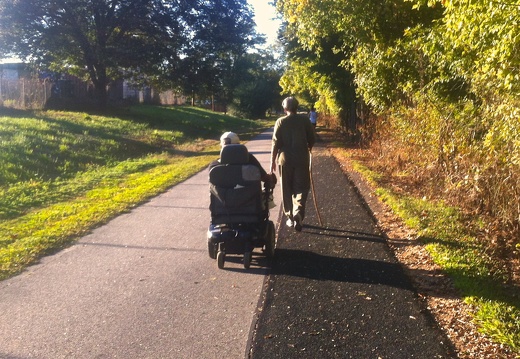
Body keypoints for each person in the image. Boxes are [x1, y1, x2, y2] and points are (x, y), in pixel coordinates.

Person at [270, 97, 316, 231]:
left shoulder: (280, 121)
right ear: (297, 107)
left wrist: (272, 161)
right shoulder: (304, 120)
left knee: (286, 188)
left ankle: (290, 216)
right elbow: (312, 139)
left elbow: (275, 144)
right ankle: (298, 212)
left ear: (285, 108)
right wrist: (308, 147)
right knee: (301, 187)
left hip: (285, 160)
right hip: (302, 158)